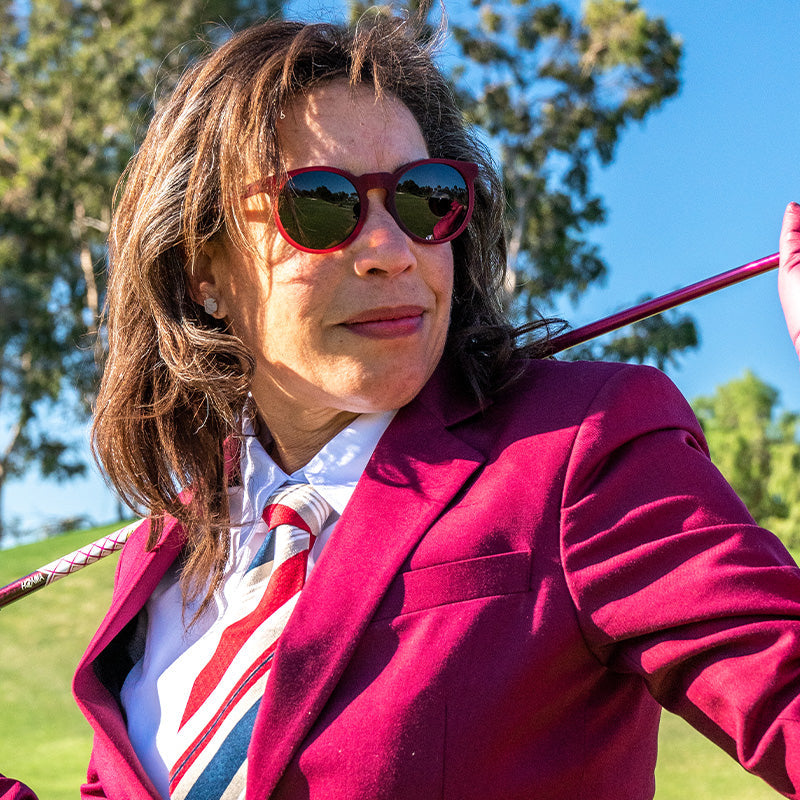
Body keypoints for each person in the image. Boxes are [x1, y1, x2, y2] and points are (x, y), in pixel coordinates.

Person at [3, 14, 800, 800]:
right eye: (321, 204)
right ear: (201, 270)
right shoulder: (168, 547)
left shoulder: (584, 448)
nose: (392, 249)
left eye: (425, 199)